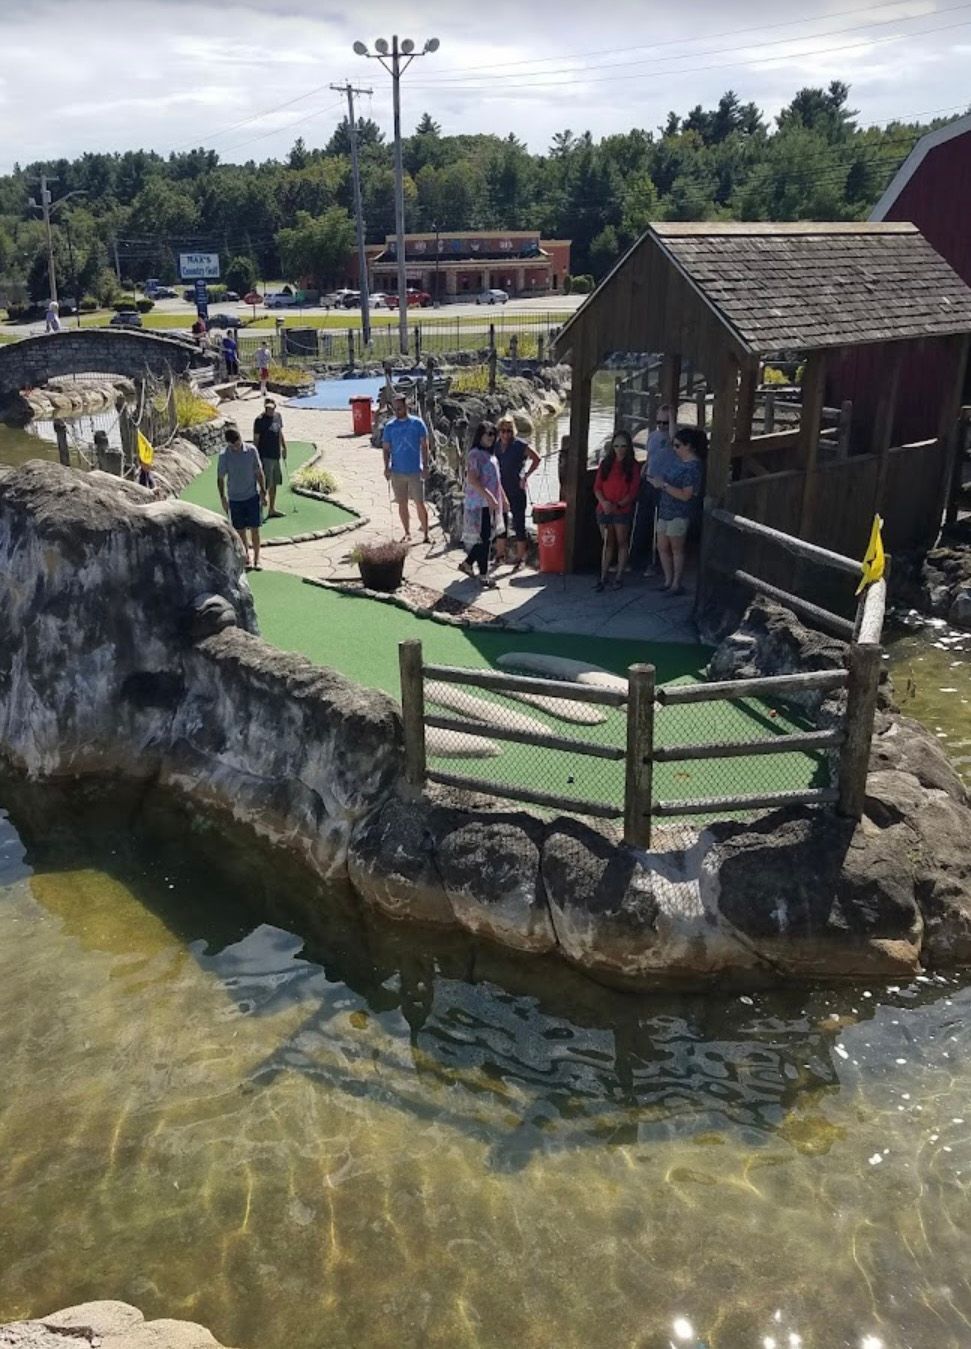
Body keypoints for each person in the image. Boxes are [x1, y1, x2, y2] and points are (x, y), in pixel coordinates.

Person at [649, 424, 707, 596]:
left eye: (677, 446)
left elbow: (686, 495)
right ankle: (667, 580)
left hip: (680, 513)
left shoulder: (694, 467)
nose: (674, 449)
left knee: (677, 549)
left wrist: (664, 485)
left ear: (688, 446)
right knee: (662, 546)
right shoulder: (678, 461)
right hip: (665, 509)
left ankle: (676, 583)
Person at [458, 421, 506, 587]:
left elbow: (496, 480)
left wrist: (502, 498)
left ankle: (468, 563)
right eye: (489, 434)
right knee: (484, 539)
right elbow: (472, 479)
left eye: (494, 434)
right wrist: (490, 497)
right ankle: (483, 574)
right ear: (480, 435)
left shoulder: (491, 455)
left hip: (490, 503)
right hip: (479, 504)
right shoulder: (475, 454)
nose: (492, 438)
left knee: (486, 537)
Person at [592, 428, 638, 591]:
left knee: (622, 542)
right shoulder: (605, 464)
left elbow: (633, 491)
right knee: (607, 543)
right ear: (612, 447)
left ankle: (619, 576)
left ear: (628, 447)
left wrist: (618, 505)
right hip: (603, 508)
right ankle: (603, 576)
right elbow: (597, 487)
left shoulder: (632, 466)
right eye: (617, 446)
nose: (620, 449)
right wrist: (604, 502)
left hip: (621, 509)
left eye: (623, 446)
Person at [633, 404, 677, 572]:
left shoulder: (675, 439)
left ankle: (655, 561)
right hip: (648, 481)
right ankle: (637, 559)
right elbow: (650, 456)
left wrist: (671, 416)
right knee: (643, 520)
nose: (662, 426)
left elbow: (673, 438)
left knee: (658, 525)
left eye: (665, 423)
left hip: (663, 485)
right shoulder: (652, 436)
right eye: (659, 422)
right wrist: (645, 468)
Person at [493, 415, 540, 570]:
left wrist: (526, 476)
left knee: (519, 524)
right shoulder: (495, 446)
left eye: (509, 431)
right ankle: (500, 556)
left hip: (516, 490)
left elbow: (536, 459)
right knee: (501, 524)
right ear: (499, 431)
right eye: (503, 431)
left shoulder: (519, 445)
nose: (506, 434)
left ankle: (521, 559)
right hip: (500, 490)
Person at [217, 426, 267, 571]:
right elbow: (220, 478)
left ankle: (257, 559)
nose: (236, 446)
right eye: (233, 445)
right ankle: (246, 558)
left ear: (240, 438)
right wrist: (223, 497)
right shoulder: (224, 455)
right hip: (235, 498)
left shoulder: (251, 450)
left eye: (237, 442)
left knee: (255, 529)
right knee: (240, 531)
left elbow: (259, 472)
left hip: (251, 496)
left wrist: (263, 491)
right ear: (228, 443)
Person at [382, 393, 430, 543]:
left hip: (415, 470)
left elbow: (425, 446)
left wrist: (425, 466)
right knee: (402, 503)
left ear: (406, 406)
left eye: (400, 408)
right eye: (395, 409)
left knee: (419, 502)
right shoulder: (390, 426)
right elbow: (386, 448)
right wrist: (386, 467)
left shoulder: (417, 423)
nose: (397, 411)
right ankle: (407, 532)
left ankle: (426, 534)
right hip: (397, 471)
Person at [253, 398, 288, 518]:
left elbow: (280, 433)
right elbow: (256, 440)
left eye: (271, 408)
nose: (269, 410)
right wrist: (255, 457)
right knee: (265, 484)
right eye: (267, 408)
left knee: (274, 483)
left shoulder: (278, 416)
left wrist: (284, 447)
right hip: (265, 456)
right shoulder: (259, 420)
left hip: (276, 455)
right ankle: (258, 512)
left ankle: (272, 509)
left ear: (275, 407)